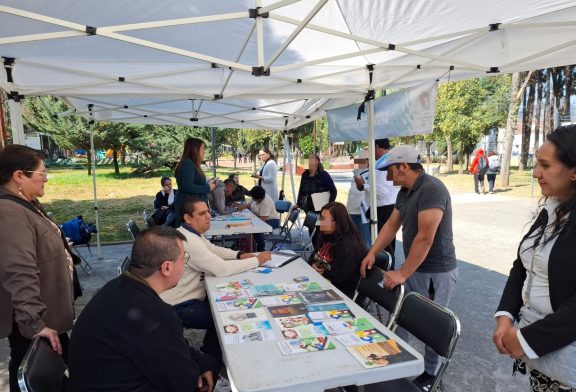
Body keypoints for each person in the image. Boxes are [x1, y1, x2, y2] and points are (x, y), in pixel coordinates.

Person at [69, 226, 218, 392]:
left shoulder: (117, 287)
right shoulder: (155, 316)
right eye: (184, 259)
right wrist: (207, 368)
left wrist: (202, 363)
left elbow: (171, 347)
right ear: (167, 267)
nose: (185, 264)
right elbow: (184, 383)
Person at [359, 145, 458, 391]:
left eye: (389, 170)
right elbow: (391, 226)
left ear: (404, 166)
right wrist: (372, 253)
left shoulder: (431, 189)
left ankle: (431, 375)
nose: (387, 176)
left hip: (436, 271)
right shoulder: (406, 191)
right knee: (402, 316)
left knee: (430, 326)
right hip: (414, 268)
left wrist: (402, 272)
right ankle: (398, 363)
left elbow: (426, 237)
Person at [493, 125, 576, 391]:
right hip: (538, 351)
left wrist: (527, 339)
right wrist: (505, 317)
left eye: (545, 165)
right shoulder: (551, 209)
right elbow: (522, 267)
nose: (535, 173)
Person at [0, 145, 77, 392]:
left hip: (46, 317)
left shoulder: (27, 203)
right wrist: (35, 324)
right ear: (19, 176)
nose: (46, 178)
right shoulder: (9, 211)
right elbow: (19, 269)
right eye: (41, 173)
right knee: (32, 371)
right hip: (34, 321)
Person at [161, 198, 271, 363]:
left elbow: (212, 249)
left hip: (184, 299)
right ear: (188, 218)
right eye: (202, 213)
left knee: (227, 307)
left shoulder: (189, 234)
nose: (208, 217)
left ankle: (211, 355)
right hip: (178, 306)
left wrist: (239, 254)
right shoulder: (188, 241)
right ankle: (210, 363)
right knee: (224, 317)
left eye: (208, 212)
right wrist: (257, 260)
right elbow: (222, 269)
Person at [354, 138, 399, 265]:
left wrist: (364, 185)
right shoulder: (382, 161)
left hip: (385, 208)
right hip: (379, 207)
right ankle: (381, 269)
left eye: (371, 148)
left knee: (385, 244)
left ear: (377, 147)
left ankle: (385, 271)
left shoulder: (387, 162)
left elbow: (382, 189)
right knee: (380, 243)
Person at [309, 202, 366, 299]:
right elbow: (312, 258)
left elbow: (339, 277)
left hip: (341, 294)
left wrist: (320, 270)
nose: (320, 222)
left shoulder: (350, 245)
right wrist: (313, 265)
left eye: (323, 219)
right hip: (322, 284)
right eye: (320, 218)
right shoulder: (324, 234)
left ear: (338, 222)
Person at [174, 137, 216, 226]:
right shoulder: (188, 163)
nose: (204, 151)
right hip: (189, 206)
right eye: (203, 148)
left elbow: (194, 183)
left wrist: (207, 183)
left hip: (193, 204)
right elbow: (188, 186)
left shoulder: (192, 164)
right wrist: (208, 188)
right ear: (195, 149)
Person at [238, 185, 280, 251]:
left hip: (272, 220)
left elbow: (262, 220)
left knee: (258, 229)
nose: (252, 198)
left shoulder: (266, 202)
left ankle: (261, 248)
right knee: (252, 226)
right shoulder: (255, 196)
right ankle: (249, 246)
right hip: (259, 218)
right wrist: (241, 207)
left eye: (253, 198)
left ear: (259, 198)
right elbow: (249, 205)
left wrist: (250, 221)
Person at [347, 149, 371, 247]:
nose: (357, 163)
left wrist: (363, 184)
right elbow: (352, 194)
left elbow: (371, 190)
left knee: (365, 242)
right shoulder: (355, 175)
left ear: (368, 161)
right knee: (353, 242)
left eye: (360, 160)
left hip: (363, 214)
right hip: (352, 212)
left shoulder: (370, 174)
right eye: (356, 160)